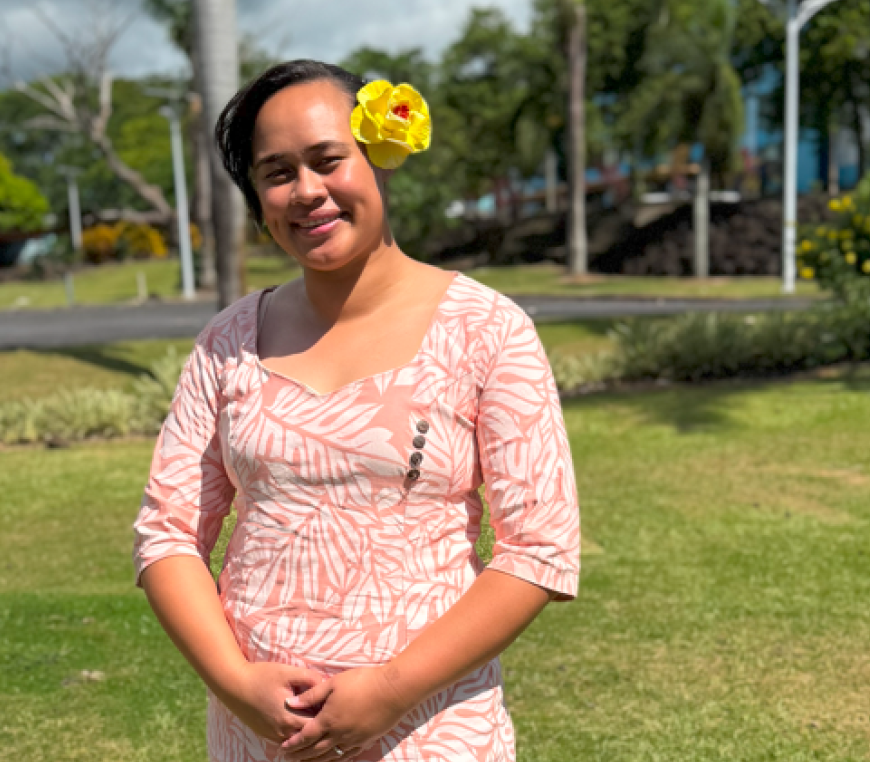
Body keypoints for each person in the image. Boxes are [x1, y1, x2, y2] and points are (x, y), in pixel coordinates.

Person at [132, 60, 582, 761]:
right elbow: (168, 534)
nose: (306, 191)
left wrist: (391, 691)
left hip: (431, 730)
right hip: (262, 737)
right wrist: (234, 683)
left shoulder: (486, 331)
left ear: (381, 156)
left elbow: (539, 551)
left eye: (326, 160)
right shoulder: (228, 342)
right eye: (277, 173)